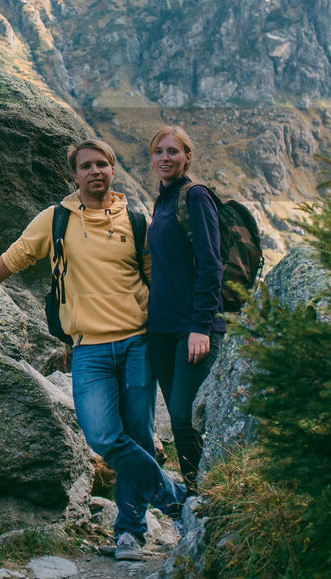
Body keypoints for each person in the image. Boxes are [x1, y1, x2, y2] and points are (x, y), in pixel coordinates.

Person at [0, 139, 185, 561]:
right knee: (103, 436)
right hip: (89, 349)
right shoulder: (56, 220)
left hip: (138, 344)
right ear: (74, 175)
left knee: (137, 436)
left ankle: (130, 534)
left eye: (103, 164)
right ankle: (177, 500)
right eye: (86, 166)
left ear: (113, 170)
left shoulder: (137, 220)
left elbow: (157, 280)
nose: (95, 171)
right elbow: (13, 259)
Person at [145, 126, 225, 494]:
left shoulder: (195, 197)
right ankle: (197, 496)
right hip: (160, 329)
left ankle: (202, 497)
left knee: (183, 418)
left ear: (187, 157)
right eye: (159, 152)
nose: (165, 158)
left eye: (173, 152)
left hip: (192, 327)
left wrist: (201, 326)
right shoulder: (162, 201)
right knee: (179, 424)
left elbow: (211, 265)